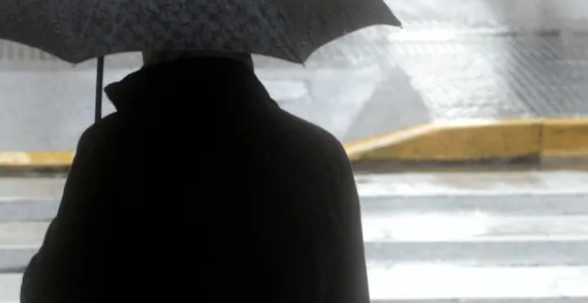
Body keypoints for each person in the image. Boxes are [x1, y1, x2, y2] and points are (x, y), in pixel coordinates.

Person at [21, 51, 370, 303]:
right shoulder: (319, 155)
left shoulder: (113, 148)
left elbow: (52, 291)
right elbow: (348, 291)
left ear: (154, 45)